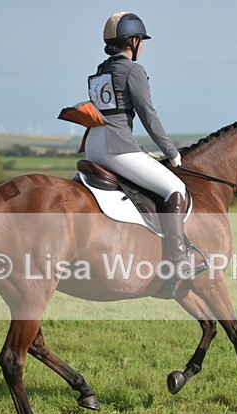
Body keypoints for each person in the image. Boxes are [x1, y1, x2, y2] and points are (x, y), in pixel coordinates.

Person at [83, 12, 206, 278]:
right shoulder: (133, 70)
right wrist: (171, 153)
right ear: (134, 40)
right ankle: (178, 260)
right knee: (174, 187)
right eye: (142, 41)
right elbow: (148, 116)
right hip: (116, 148)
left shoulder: (100, 71)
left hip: (93, 145)